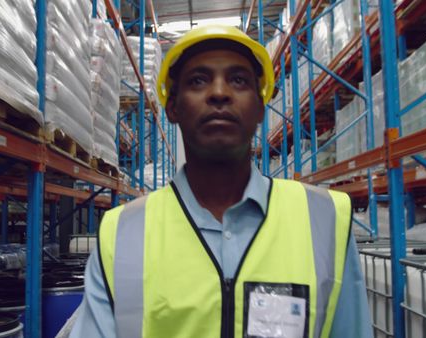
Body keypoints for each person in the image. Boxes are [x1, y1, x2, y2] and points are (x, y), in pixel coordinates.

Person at [69, 25, 372, 338]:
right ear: (172, 108)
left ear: (260, 106)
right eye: (198, 80)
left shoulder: (323, 219)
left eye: (238, 80)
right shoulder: (123, 233)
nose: (219, 92)